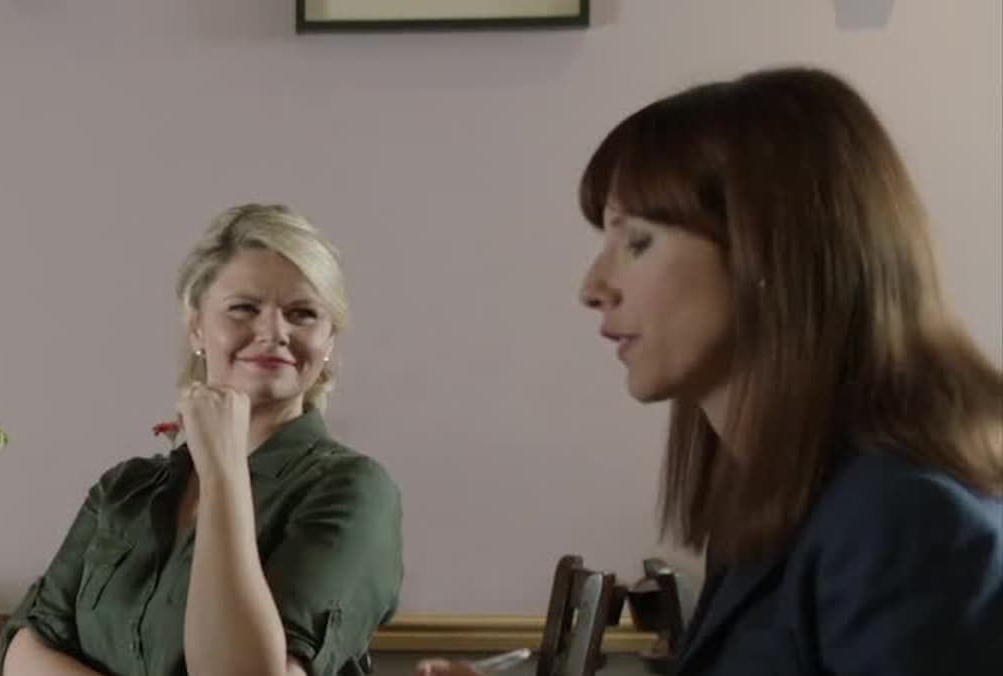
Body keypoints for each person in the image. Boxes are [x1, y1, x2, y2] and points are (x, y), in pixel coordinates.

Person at [421, 66, 1003, 675]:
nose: (593, 287)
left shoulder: (902, 523)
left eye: (637, 242)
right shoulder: (777, 497)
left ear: (769, 251)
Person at [0, 204, 403, 676]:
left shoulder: (355, 490)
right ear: (197, 328)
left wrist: (224, 469)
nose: (274, 332)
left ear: (328, 340)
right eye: (244, 308)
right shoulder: (123, 490)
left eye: (303, 314)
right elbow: (23, 650)